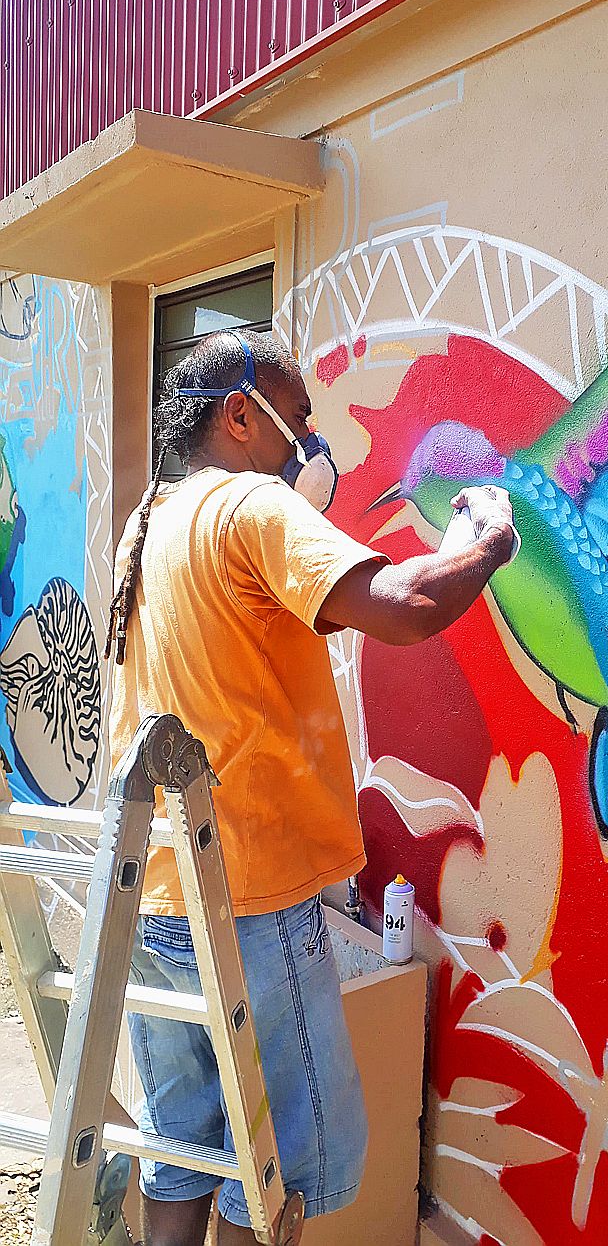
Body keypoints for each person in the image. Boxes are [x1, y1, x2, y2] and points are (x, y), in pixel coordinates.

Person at [107, 328, 516, 1246]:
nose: (311, 443)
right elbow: (407, 605)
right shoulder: (251, 506)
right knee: (288, 1165)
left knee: (186, 1143)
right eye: (298, 420)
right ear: (240, 416)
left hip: (160, 891)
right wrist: (484, 543)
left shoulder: (151, 521)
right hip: (248, 891)